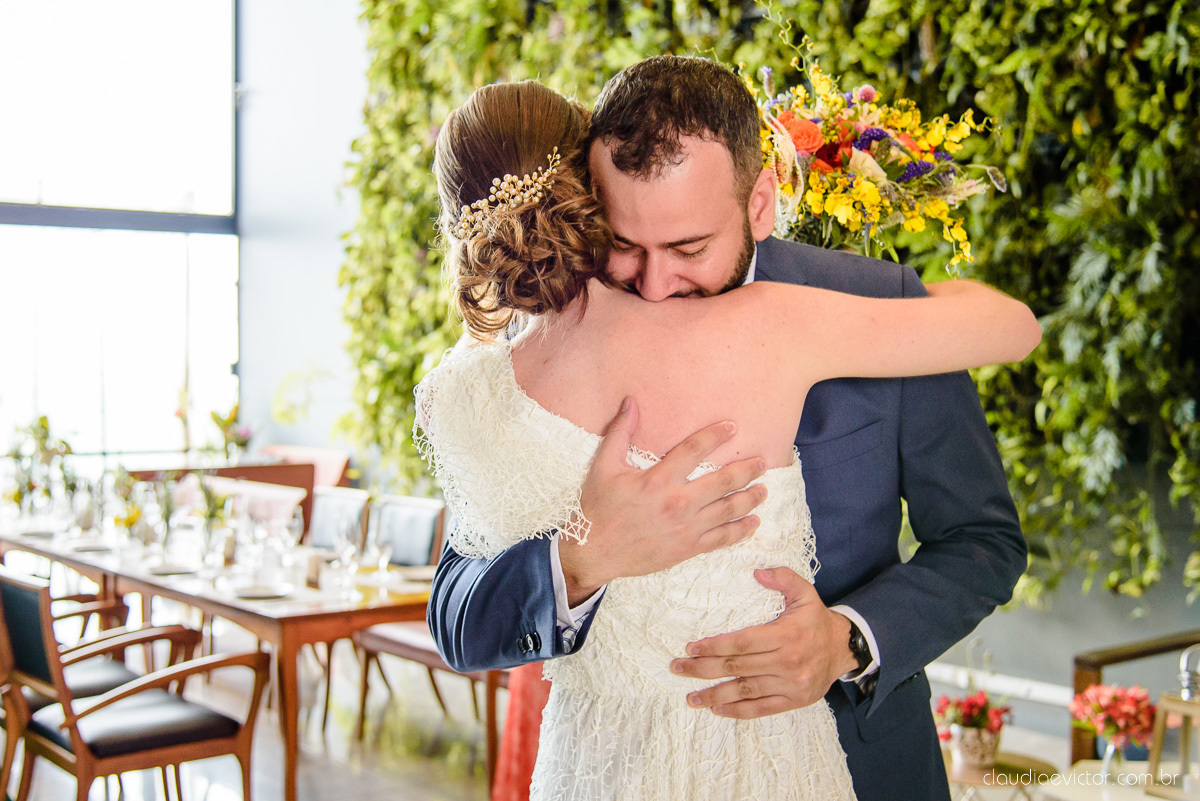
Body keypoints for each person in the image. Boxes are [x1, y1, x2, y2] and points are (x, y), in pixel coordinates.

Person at [420, 74, 1037, 800]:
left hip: (861, 766)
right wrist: (579, 559)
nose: (653, 285)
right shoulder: (541, 345)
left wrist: (849, 638)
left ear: (762, 202)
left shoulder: (874, 301)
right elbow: (457, 611)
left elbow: (984, 541)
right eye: (624, 246)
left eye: (688, 247)